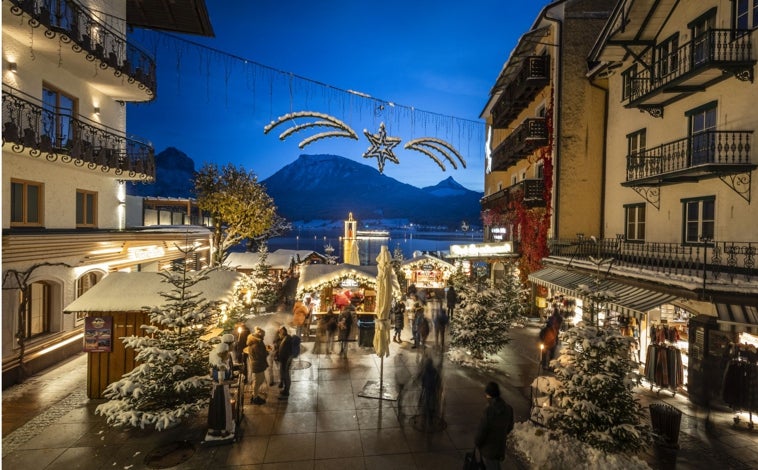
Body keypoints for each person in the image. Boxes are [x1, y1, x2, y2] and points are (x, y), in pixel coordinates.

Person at [474, 381, 514, 470]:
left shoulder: (489, 411)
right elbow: (510, 427)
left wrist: (477, 442)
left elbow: (482, 430)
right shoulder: (508, 409)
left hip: (488, 449)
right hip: (500, 447)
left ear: (489, 394)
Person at [207, 342, 235, 437]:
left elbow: (211, 375)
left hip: (215, 390)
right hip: (221, 391)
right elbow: (221, 382)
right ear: (224, 353)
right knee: (222, 409)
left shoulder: (214, 364)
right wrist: (233, 382)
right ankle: (223, 429)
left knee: (215, 410)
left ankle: (215, 428)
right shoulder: (221, 366)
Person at [246, 327, 269, 405]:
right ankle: (255, 397)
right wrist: (267, 352)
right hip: (257, 365)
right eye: (263, 335)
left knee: (260, 379)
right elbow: (260, 355)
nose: (264, 337)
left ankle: (254, 394)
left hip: (258, 364)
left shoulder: (256, 342)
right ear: (260, 335)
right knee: (257, 381)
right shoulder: (256, 344)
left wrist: (265, 350)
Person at [418, 356, 442, 428]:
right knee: (431, 403)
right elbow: (438, 381)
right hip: (432, 390)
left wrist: (423, 388)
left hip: (428, 390)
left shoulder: (426, 371)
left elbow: (423, 380)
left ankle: (427, 417)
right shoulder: (434, 371)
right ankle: (430, 418)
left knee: (427, 403)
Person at [274, 326, 293, 399]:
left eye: (280, 331)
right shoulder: (285, 338)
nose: (279, 332)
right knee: (284, 375)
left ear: (284, 331)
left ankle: (286, 392)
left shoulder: (288, 339)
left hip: (286, 360)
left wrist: (287, 359)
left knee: (286, 376)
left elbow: (288, 351)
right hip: (283, 360)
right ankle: (285, 389)